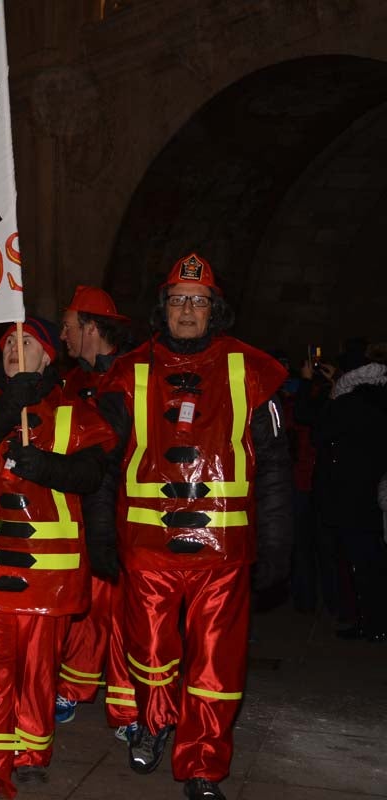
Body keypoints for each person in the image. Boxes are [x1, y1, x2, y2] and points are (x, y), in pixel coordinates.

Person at [94, 253, 292, 800]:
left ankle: (203, 763)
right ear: (164, 307)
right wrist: (101, 533)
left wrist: (276, 540)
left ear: (215, 310)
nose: (187, 310)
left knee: (215, 662)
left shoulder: (254, 372)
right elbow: (103, 462)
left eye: (198, 301)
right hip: (145, 547)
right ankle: (155, 725)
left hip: (223, 552)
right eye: (179, 299)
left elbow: (276, 468)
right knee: (151, 652)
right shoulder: (127, 372)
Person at [0, 317, 116, 800]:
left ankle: (30, 752)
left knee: (38, 665)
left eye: (26, 341)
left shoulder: (76, 410)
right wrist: (11, 402)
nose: (14, 348)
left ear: (49, 355)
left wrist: (46, 466)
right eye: (9, 341)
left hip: (49, 571)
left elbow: (93, 475)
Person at [53, 286, 138, 740]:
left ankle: (129, 709)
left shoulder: (131, 377)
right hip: (78, 511)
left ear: (90, 326)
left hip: (125, 510)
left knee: (125, 609)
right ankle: (73, 686)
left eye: (68, 326)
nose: (63, 335)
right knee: (84, 604)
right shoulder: (68, 384)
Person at [307, 343, 386, 642]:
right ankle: (373, 619)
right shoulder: (379, 395)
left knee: (361, 560)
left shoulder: (347, 401)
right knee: (374, 557)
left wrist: (328, 394)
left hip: (352, 493)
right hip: (374, 489)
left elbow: (319, 431)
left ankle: (369, 622)